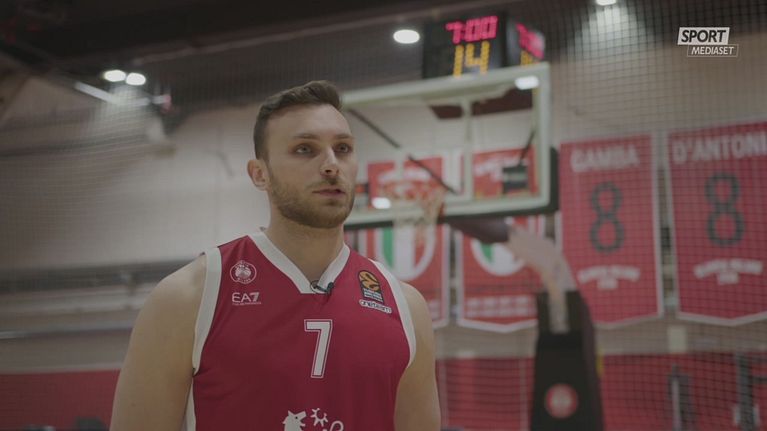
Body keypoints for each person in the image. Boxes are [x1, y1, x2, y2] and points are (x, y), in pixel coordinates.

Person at [110, 81, 441, 431]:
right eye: (304, 149)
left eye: (342, 148)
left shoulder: (406, 307)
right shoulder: (188, 298)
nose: (331, 164)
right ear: (260, 174)